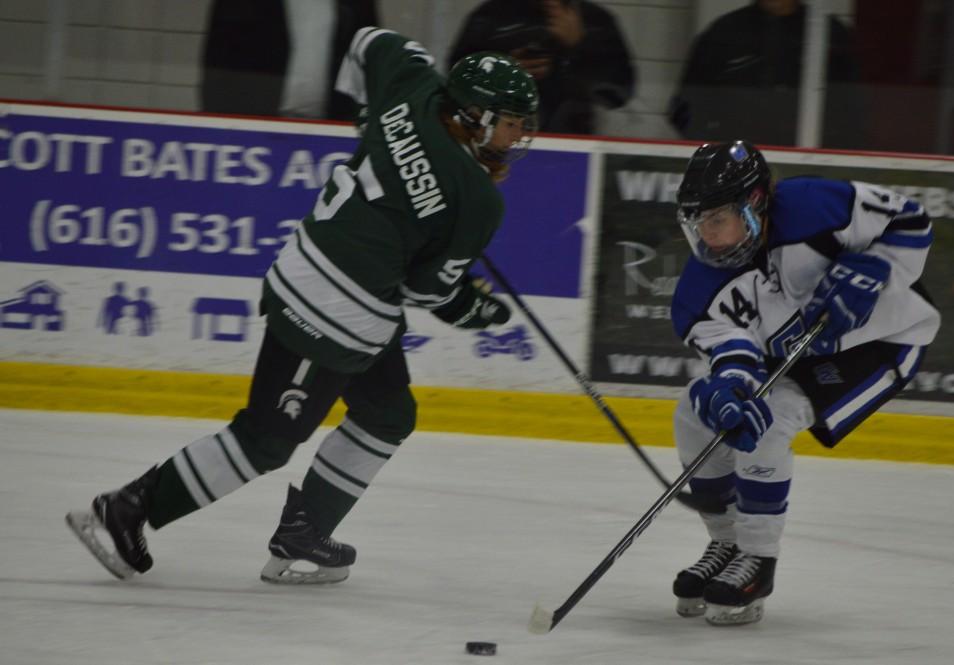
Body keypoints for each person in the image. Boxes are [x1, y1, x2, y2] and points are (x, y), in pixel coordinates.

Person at [66, 28, 540, 585]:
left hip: (334, 286)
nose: (519, 135)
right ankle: (125, 510)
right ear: (476, 115)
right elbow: (429, 292)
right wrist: (476, 311)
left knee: (388, 415)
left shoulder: (414, 85)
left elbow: (370, 39)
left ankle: (305, 532)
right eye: (511, 122)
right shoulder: (478, 199)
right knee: (265, 440)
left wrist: (370, 120)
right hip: (332, 316)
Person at [668, 140, 939, 624]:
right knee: (692, 412)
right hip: (796, 355)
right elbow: (733, 355)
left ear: (753, 205)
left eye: (716, 219)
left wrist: (879, 267)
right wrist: (728, 388)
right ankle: (727, 544)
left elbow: (911, 221)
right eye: (697, 223)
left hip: (880, 342)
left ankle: (757, 560)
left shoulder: (815, 205)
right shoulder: (697, 291)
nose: (706, 237)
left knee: (771, 422)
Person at [667, 0, 863, 149]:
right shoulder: (724, 34)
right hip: (734, 170)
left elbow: (852, 115)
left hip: (809, 168)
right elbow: (683, 109)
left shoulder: (829, 35)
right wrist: (719, 151)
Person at [448, 0, 635, 135]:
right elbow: (456, 85)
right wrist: (504, 74)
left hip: (573, 146)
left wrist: (579, 47)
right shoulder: (489, 19)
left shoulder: (596, 22)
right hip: (496, 143)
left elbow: (618, 93)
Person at [200, 0, 379, 120]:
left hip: (331, 128)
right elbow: (218, 62)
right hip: (254, 124)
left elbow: (369, 59)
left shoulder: (355, 3)